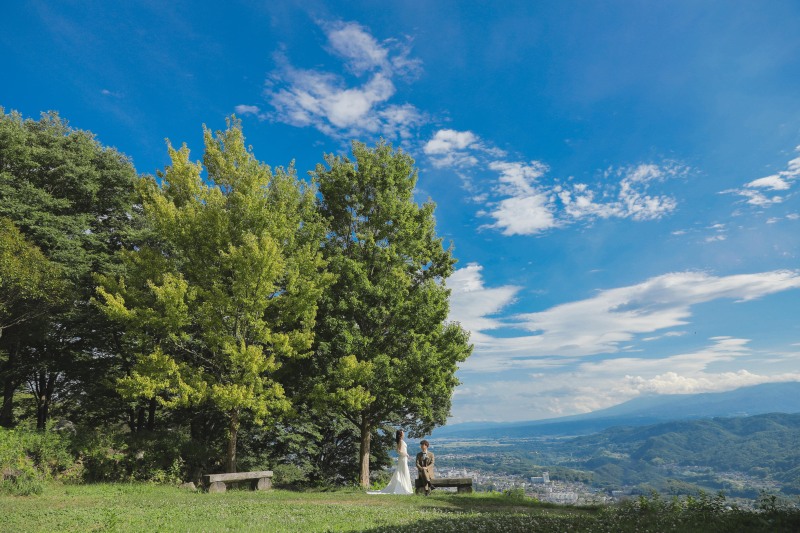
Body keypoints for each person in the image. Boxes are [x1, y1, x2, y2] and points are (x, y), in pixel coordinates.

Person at [367, 429, 413, 495]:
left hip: (403, 458)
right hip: (403, 458)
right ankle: (403, 488)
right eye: (403, 433)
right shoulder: (401, 441)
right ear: (400, 434)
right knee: (403, 471)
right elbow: (399, 451)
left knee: (402, 471)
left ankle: (404, 487)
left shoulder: (400, 441)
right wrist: (406, 454)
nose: (404, 434)